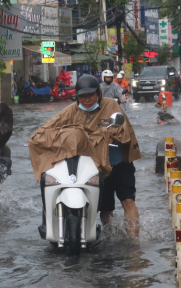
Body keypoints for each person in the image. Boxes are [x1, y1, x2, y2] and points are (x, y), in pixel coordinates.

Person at [28, 75, 142, 237]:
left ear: (98, 93)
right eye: (82, 97)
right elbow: (46, 129)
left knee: (128, 201)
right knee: (106, 208)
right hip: (95, 168)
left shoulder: (111, 105)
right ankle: (111, 238)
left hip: (118, 163)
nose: (87, 100)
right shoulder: (71, 111)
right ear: (77, 97)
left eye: (91, 95)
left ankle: (133, 242)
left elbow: (124, 131)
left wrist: (108, 135)